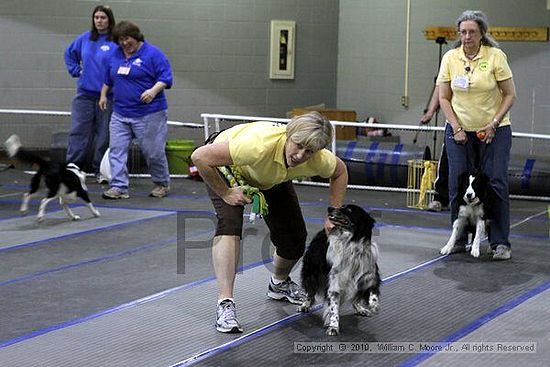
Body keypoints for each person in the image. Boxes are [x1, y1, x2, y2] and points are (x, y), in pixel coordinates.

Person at [191, 111, 348, 333]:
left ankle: (279, 283)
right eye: (298, 145)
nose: (301, 155)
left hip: (270, 175)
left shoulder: (317, 159)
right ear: (289, 134)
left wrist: (334, 213)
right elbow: (200, 157)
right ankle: (225, 303)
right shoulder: (257, 145)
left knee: (294, 239)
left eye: (309, 151)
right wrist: (225, 192)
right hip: (226, 165)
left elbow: (340, 172)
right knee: (230, 224)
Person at [437, 10, 516, 260]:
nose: (467, 36)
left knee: (495, 182)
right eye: (463, 32)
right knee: (456, 183)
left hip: (495, 130)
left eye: (472, 32)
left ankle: (499, 243)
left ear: (482, 33)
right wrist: (457, 128)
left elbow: (510, 94)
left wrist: (493, 123)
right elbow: (443, 97)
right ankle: (459, 239)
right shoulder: (450, 58)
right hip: (459, 129)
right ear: (458, 34)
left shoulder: (495, 57)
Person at [99, 21, 173, 199]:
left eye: (127, 38)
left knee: (153, 152)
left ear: (136, 36)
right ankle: (118, 187)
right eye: (120, 40)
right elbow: (109, 79)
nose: (124, 43)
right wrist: (103, 95)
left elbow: (166, 78)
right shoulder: (116, 54)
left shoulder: (153, 54)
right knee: (116, 150)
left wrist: (153, 90)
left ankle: (161, 183)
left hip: (149, 114)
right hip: (120, 113)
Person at [64, 5, 116, 183]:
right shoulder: (84, 39)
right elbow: (69, 54)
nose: (99, 21)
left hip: (108, 97)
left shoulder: (115, 41)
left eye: (103, 17)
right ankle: (73, 168)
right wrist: (76, 71)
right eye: (96, 18)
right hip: (84, 95)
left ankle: (100, 170)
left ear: (109, 19)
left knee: (104, 135)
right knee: (78, 132)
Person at [420, 85, 449, 212]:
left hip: (480, 124)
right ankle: (440, 199)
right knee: (446, 161)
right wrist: (430, 111)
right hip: (455, 123)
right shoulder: (449, 65)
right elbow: (440, 86)